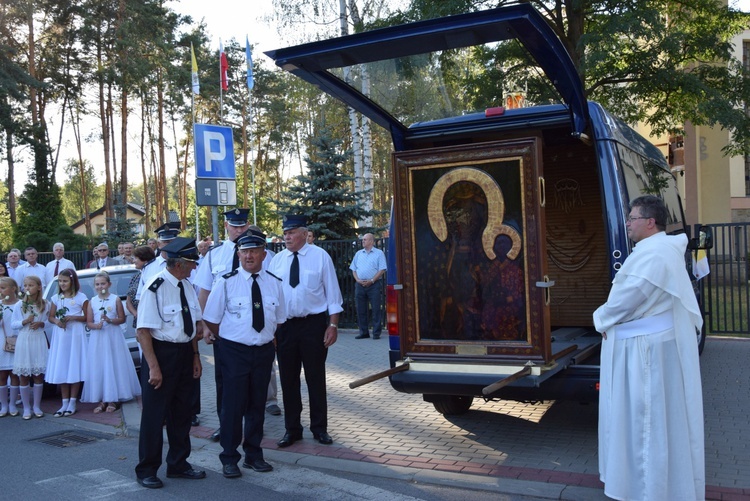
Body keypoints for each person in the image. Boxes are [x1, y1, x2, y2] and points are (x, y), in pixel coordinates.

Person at [593, 195, 704, 501]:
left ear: (650, 222)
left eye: (632, 218)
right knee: (646, 422)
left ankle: (649, 489)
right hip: (644, 349)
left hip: (644, 355)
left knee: (645, 423)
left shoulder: (654, 255)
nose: (627, 223)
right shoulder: (653, 250)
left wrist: (599, 318)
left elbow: (628, 298)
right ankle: (645, 485)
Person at [203, 230, 286, 477]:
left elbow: (279, 320)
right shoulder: (226, 282)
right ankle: (229, 457)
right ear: (238, 254)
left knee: (256, 405)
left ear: (264, 253)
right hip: (233, 352)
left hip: (263, 352)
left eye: (254, 251)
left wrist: (260, 338)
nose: (249, 256)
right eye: (244, 251)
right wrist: (233, 338)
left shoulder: (274, 282)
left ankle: (253, 454)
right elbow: (212, 319)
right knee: (232, 406)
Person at [135, 237, 206, 489]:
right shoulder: (154, 287)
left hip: (185, 353)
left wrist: (195, 356)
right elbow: (142, 332)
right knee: (155, 416)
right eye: (191, 263)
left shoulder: (186, 285)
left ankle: (178, 463)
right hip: (161, 356)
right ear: (178, 264)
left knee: (182, 414)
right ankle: (147, 469)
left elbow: (194, 325)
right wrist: (153, 367)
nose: (195, 267)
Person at [268, 215, 343, 447]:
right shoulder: (277, 260)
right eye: (285, 233)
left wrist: (333, 325)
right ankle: (292, 430)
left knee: (315, 378)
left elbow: (333, 294)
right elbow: (270, 297)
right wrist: (272, 330)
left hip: (314, 326)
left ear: (303, 233)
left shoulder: (320, 256)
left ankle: (319, 428)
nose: (286, 237)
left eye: (291, 233)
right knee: (288, 380)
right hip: (285, 327)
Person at [194, 208, 251, 442]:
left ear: (247, 226)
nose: (238, 230)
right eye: (234, 226)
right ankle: (225, 424)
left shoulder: (257, 252)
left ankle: (252, 425)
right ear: (226, 226)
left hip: (250, 327)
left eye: (242, 225)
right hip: (222, 328)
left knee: (251, 380)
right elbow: (204, 292)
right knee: (224, 381)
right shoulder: (213, 255)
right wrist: (205, 325)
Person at [83, 271, 140, 413]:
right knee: (101, 365)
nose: (100, 286)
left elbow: (121, 318)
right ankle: (103, 399)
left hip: (113, 336)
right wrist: (96, 326)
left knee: (114, 364)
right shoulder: (92, 302)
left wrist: (110, 320)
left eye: (103, 283)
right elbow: (89, 322)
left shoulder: (115, 300)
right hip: (99, 337)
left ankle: (114, 399)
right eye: (97, 284)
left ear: (109, 284)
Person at [46, 269, 89, 417]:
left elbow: (87, 317)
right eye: (60, 281)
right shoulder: (56, 298)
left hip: (75, 335)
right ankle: (64, 402)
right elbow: (51, 316)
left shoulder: (81, 297)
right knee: (63, 365)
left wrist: (73, 317)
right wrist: (57, 321)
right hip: (61, 336)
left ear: (72, 281)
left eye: (65, 281)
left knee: (74, 365)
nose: (62, 284)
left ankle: (72, 402)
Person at [11, 276, 49, 419]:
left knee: (38, 375)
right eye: (25, 286)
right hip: (24, 339)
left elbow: (49, 322)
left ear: (39, 287)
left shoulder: (45, 304)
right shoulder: (19, 305)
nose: (27, 288)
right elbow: (13, 324)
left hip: (38, 338)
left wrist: (41, 324)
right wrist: (24, 321)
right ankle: (26, 408)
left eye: (31, 285)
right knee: (24, 375)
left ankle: (36, 406)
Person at [349, 233, 387, 340]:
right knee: (361, 309)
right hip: (360, 285)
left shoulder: (379, 253)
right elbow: (353, 269)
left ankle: (376, 333)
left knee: (376, 309)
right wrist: (357, 280)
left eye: (365, 239)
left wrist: (372, 280)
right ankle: (364, 332)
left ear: (371, 241)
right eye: (363, 239)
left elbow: (382, 269)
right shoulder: (358, 254)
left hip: (374, 285)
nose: (363, 241)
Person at [0, 277, 21, 417]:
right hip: (2, 340)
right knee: (2, 374)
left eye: (3, 288)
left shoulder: (20, 304)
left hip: (17, 340)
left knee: (14, 373)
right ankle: (4, 405)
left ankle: (13, 404)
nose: (0, 291)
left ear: (13, 289)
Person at [126, 245, 156, 329]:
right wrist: (136, 314)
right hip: (139, 319)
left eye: (136, 258)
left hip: (151, 319)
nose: (133, 260)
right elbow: (128, 301)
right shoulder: (135, 277)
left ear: (144, 259)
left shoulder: (153, 276)